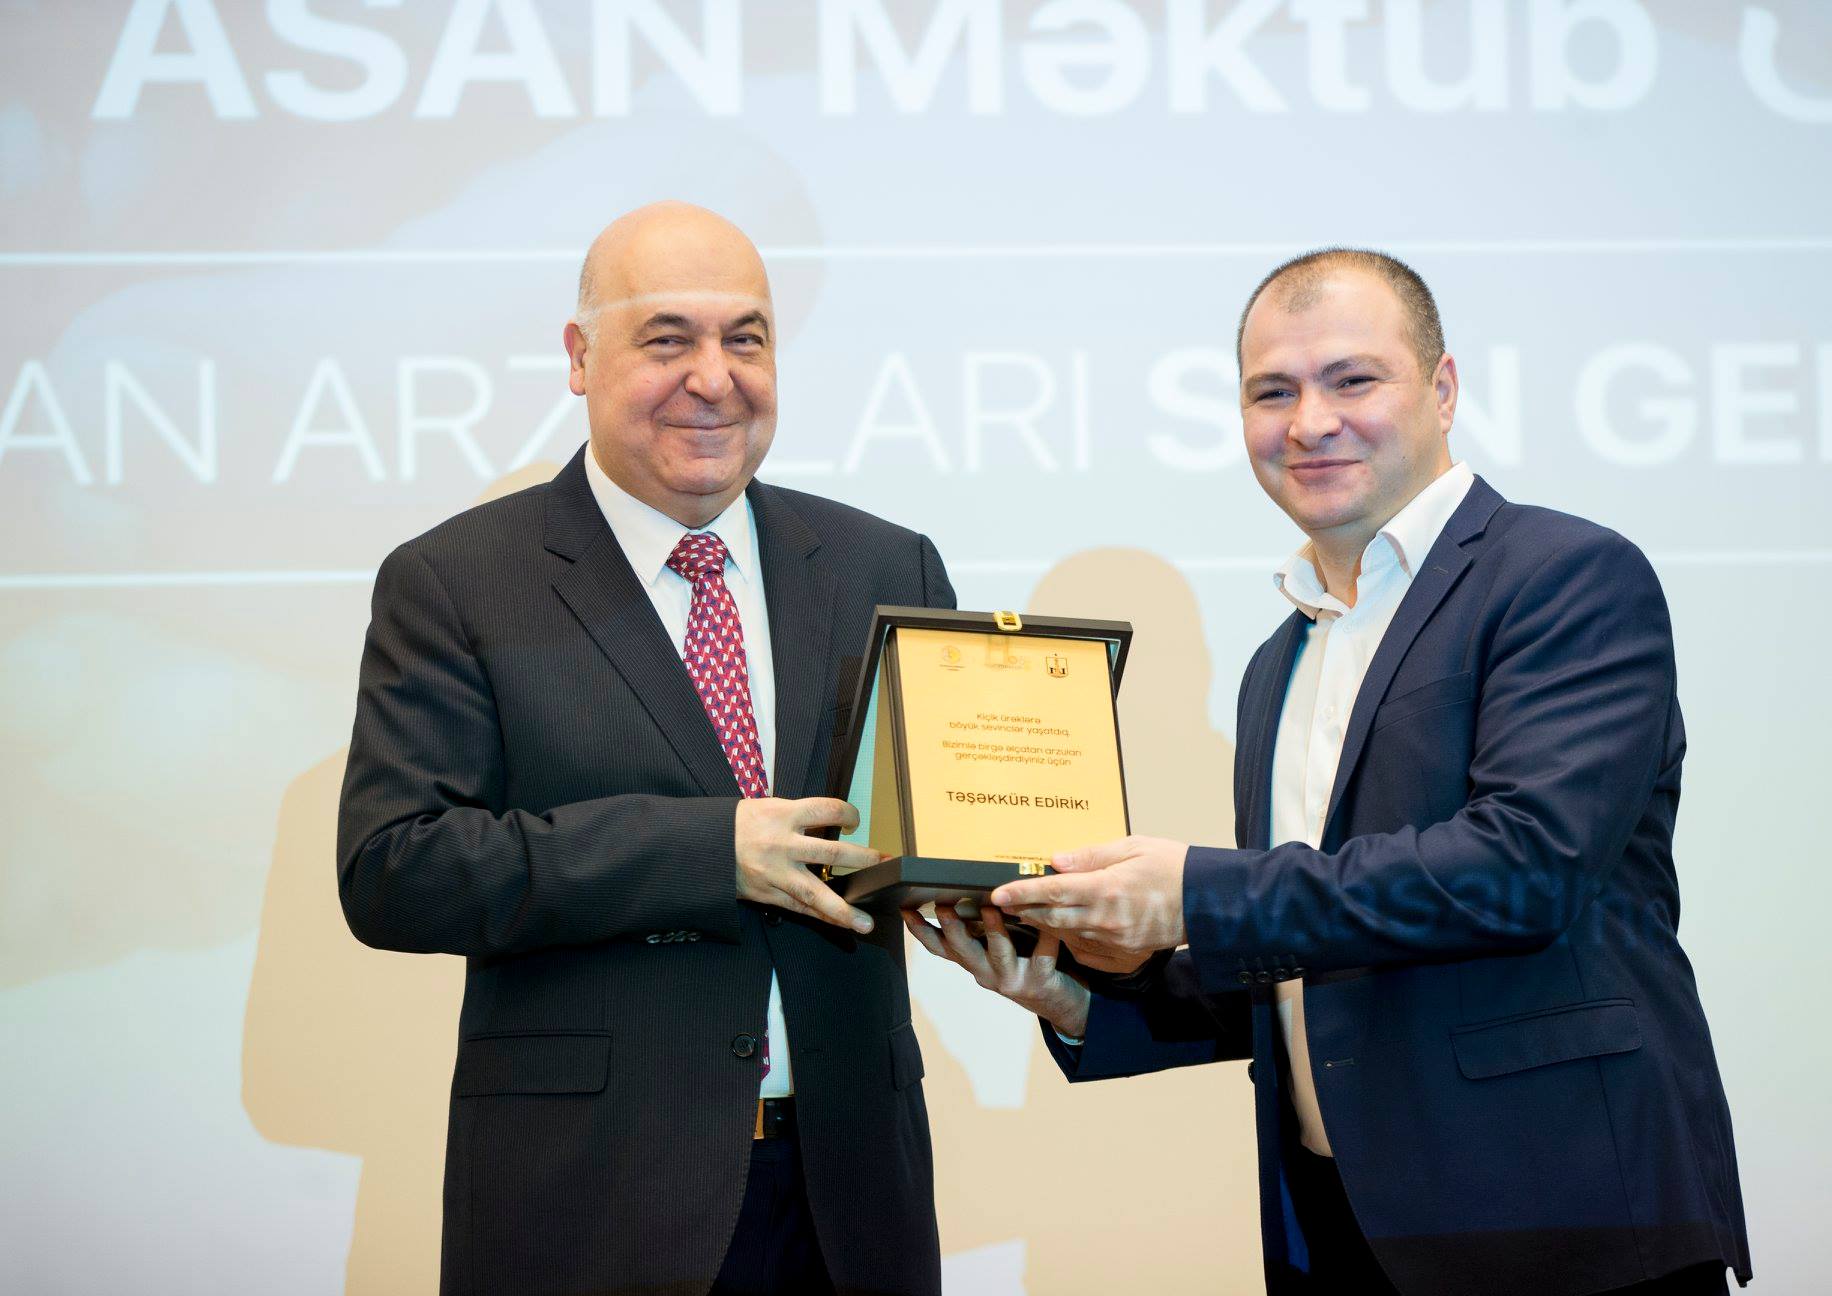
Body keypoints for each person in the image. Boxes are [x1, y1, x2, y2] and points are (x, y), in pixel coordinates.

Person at [906, 249, 1751, 1295]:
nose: (1309, 422)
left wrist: (1192, 892)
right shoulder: (1281, 661)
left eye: (1352, 380)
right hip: (1340, 1231)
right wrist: (1082, 994)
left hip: (1560, 1220)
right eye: (1273, 392)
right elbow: (1312, 956)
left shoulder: (1564, 576)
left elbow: (1525, 869)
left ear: (1443, 390)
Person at [338, 201, 952, 1296]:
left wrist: (1005, 888)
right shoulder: (455, 583)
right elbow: (396, 869)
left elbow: (931, 827)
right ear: (580, 358)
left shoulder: (884, 566)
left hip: (853, 1197)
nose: (714, 378)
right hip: (590, 1202)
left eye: (746, 339)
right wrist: (706, 853)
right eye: (668, 339)